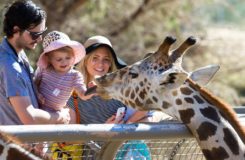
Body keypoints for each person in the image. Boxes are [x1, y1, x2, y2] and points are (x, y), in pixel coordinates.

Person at [67, 35, 151, 159]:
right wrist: (101, 131)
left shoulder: (122, 89)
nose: (101, 64)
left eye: (106, 59)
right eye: (95, 58)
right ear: (85, 60)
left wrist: (126, 127)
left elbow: (147, 114)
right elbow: (68, 138)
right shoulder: (72, 93)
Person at [0, 0, 70, 125]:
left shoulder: (18, 53)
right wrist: (59, 116)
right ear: (16, 30)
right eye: (35, 34)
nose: (40, 39)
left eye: (42, 33)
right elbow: (29, 117)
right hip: (16, 143)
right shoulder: (11, 67)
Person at [34, 31, 94, 124]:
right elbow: (33, 83)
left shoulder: (75, 76)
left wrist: (92, 90)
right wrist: (37, 93)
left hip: (56, 114)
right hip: (37, 108)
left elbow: (82, 94)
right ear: (49, 59)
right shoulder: (45, 69)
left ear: (73, 56)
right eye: (59, 59)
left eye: (68, 58)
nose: (64, 62)